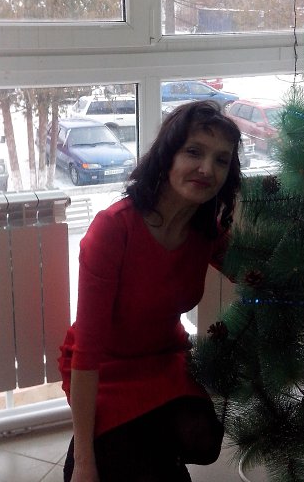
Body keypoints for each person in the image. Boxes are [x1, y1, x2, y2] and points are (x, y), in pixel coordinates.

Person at [59, 100, 242, 482]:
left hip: (164, 357)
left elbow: (259, 274)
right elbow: (87, 351)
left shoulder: (206, 231)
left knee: (204, 442)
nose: (207, 169)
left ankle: (146, 451)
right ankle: (100, 449)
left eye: (221, 160)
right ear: (167, 156)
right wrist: (86, 462)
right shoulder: (114, 229)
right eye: (194, 152)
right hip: (106, 365)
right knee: (115, 464)